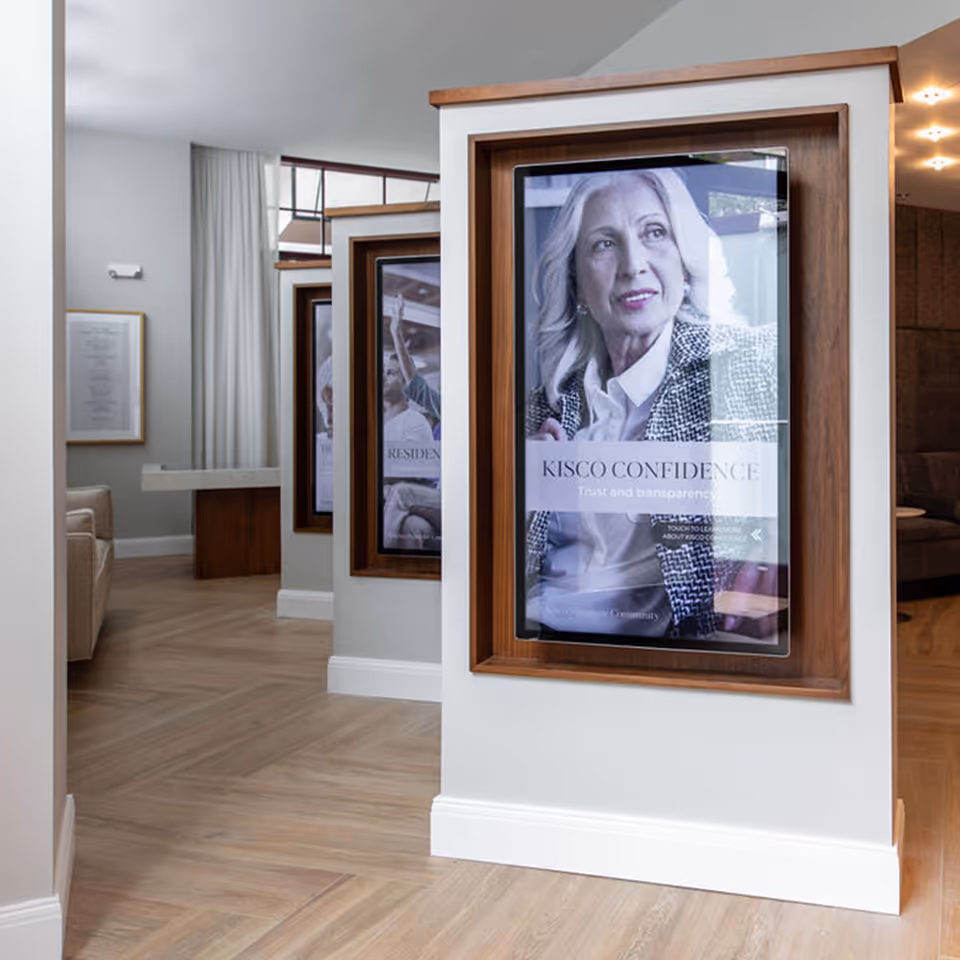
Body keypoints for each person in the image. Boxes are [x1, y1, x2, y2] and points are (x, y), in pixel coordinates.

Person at [525, 167, 782, 642]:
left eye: (654, 233)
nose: (633, 264)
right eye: (604, 243)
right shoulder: (543, 407)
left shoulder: (752, 362)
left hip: (671, 655)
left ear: (684, 260)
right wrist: (521, 489)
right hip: (540, 639)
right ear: (577, 282)